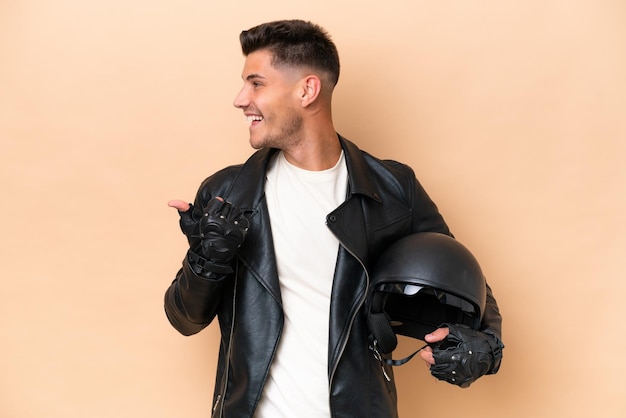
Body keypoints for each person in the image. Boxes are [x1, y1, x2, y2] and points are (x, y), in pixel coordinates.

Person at [164, 19, 503, 418]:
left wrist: (485, 345)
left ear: (307, 90)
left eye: (256, 83)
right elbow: (185, 318)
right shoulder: (228, 192)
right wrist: (205, 263)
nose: (240, 99)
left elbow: (468, 283)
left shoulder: (394, 189)